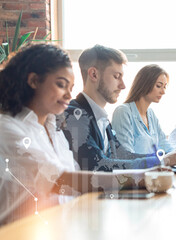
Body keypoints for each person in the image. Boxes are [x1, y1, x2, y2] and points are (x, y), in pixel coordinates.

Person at [0, 44, 150, 226]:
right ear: (33, 81)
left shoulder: (54, 129)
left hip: (59, 228)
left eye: (71, 87)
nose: (68, 94)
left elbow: (76, 180)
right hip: (18, 233)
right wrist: (138, 178)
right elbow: (61, 179)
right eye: (61, 85)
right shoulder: (7, 129)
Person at [62, 45, 176, 171]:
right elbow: (97, 165)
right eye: (117, 77)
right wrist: (162, 161)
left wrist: (167, 158)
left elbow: (123, 156)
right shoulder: (74, 114)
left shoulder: (102, 118)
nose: (123, 85)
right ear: (94, 74)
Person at [111, 64, 176, 155]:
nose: (163, 92)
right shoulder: (123, 112)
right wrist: (161, 161)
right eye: (158, 86)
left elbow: (163, 143)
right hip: (136, 169)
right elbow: (125, 155)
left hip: (153, 169)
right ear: (145, 84)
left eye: (164, 87)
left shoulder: (151, 114)